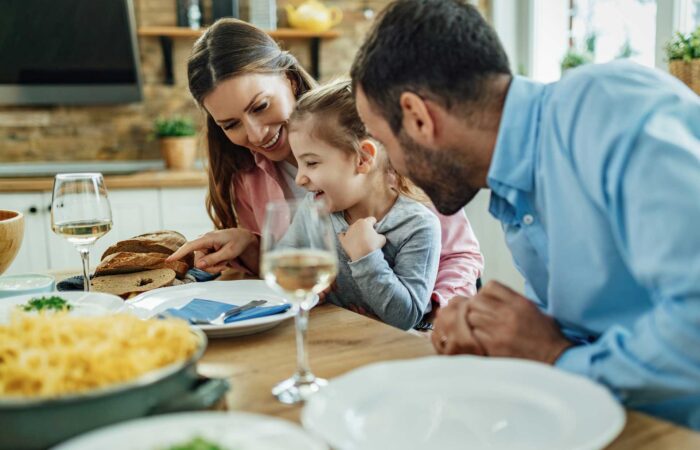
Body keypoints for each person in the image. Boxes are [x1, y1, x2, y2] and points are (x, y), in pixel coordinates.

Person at [350, 0, 700, 428]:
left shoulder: (609, 111)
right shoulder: (512, 182)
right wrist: (493, 332)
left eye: (384, 142)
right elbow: (587, 327)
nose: (393, 167)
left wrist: (556, 356)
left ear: (419, 118)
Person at [167, 18, 484, 309]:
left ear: (289, 81)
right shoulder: (245, 179)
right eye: (230, 124)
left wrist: (433, 319)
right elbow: (287, 275)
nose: (255, 133)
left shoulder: (379, 136)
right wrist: (249, 245)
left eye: (261, 106)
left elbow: (459, 255)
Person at [280, 79, 440, 330]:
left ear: (363, 159)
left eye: (311, 163)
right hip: (335, 340)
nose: (299, 178)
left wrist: (366, 257)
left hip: (390, 353)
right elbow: (284, 259)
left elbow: (405, 317)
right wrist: (300, 281)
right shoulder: (314, 208)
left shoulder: (417, 225)